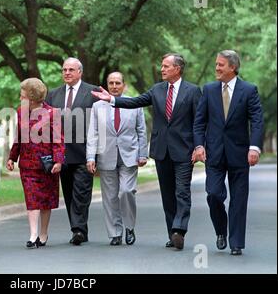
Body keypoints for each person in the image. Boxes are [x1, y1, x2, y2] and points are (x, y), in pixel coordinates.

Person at [91, 53, 202, 250]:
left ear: (177, 69)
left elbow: (199, 122)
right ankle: (172, 234)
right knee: (168, 195)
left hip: (184, 151)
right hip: (161, 151)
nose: (162, 69)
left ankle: (179, 230)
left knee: (182, 192)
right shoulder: (157, 90)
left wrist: (199, 146)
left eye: (166, 66)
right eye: (162, 66)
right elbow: (136, 102)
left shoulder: (193, 91)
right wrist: (112, 100)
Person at [193, 50, 264, 256]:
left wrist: (254, 147)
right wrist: (199, 146)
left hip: (240, 153)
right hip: (213, 153)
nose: (216, 68)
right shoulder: (208, 90)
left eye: (220, 65)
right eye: (216, 64)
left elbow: (257, 121)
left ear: (232, 67)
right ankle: (221, 231)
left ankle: (236, 242)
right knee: (214, 194)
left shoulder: (249, 90)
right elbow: (199, 122)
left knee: (239, 199)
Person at [87, 72, 148, 246]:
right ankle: (115, 232)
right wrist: (91, 157)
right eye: (111, 83)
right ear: (107, 85)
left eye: (117, 83)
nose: (114, 86)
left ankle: (129, 227)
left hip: (130, 155)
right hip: (106, 156)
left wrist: (142, 154)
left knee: (126, 191)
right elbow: (93, 133)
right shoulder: (98, 106)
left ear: (124, 85)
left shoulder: (134, 104)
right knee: (110, 196)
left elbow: (141, 130)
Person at [6, 78, 65, 248]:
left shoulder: (53, 113)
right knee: (32, 201)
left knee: (46, 201)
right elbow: (18, 136)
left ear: (32, 98)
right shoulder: (21, 112)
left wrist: (59, 161)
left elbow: (59, 140)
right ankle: (32, 235)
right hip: (27, 164)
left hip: (47, 165)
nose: (20, 98)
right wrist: (12, 157)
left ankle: (43, 233)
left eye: (22, 95)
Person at [45, 57, 98, 245]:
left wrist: (96, 154)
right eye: (64, 70)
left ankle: (79, 230)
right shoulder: (53, 95)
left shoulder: (94, 92)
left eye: (71, 70)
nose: (67, 73)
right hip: (61, 154)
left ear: (80, 72)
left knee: (82, 192)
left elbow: (99, 122)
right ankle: (77, 228)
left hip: (85, 152)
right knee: (68, 193)